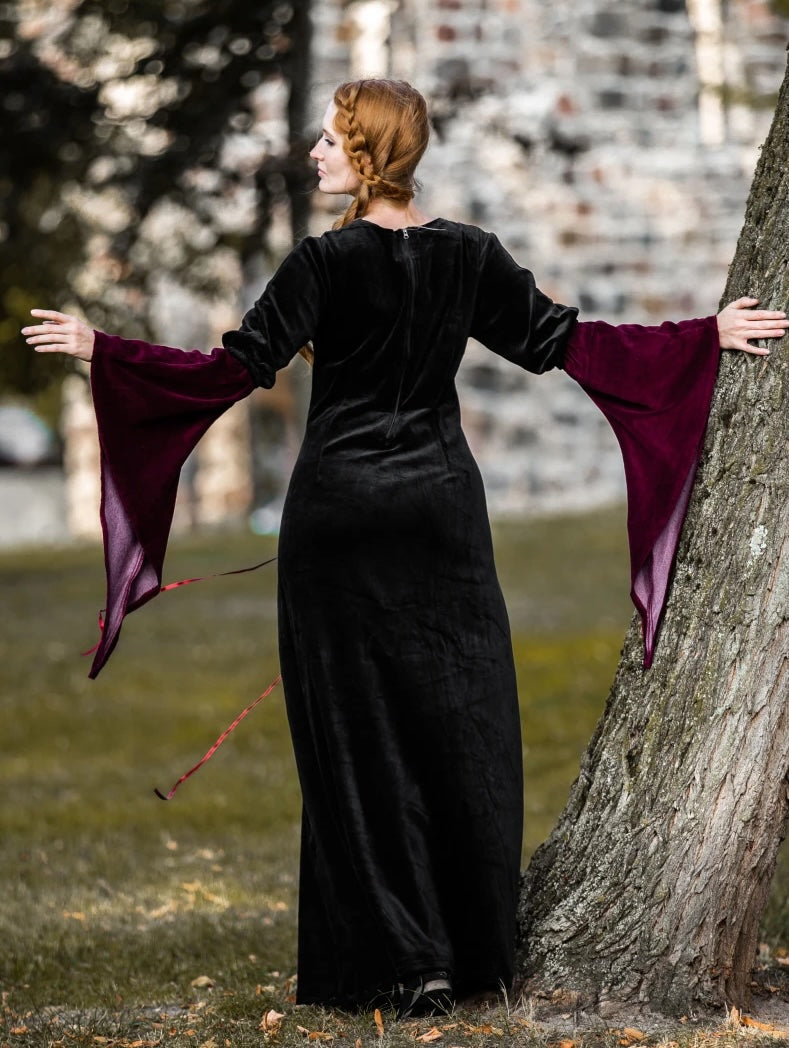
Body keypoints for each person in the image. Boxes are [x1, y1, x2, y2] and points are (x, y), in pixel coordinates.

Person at [21, 78, 788, 1018]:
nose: (312, 151)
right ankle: (472, 954)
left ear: (364, 155)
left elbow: (230, 369)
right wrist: (701, 336)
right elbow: (569, 344)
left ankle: (398, 963)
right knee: (459, 728)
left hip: (340, 521)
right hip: (441, 515)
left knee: (356, 739)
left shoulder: (321, 263)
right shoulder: (468, 255)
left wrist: (105, 350)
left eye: (329, 139)